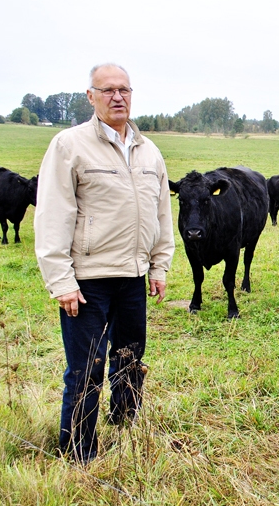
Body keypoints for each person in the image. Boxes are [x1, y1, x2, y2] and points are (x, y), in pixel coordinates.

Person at [34, 63, 175, 463]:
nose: (118, 97)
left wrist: (159, 266)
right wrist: (61, 281)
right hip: (88, 280)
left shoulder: (149, 150)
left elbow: (161, 214)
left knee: (130, 356)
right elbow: (52, 215)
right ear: (91, 96)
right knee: (86, 367)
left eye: (125, 90)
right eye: (108, 90)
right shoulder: (70, 145)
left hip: (133, 277)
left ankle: (126, 422)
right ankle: (78, 450)